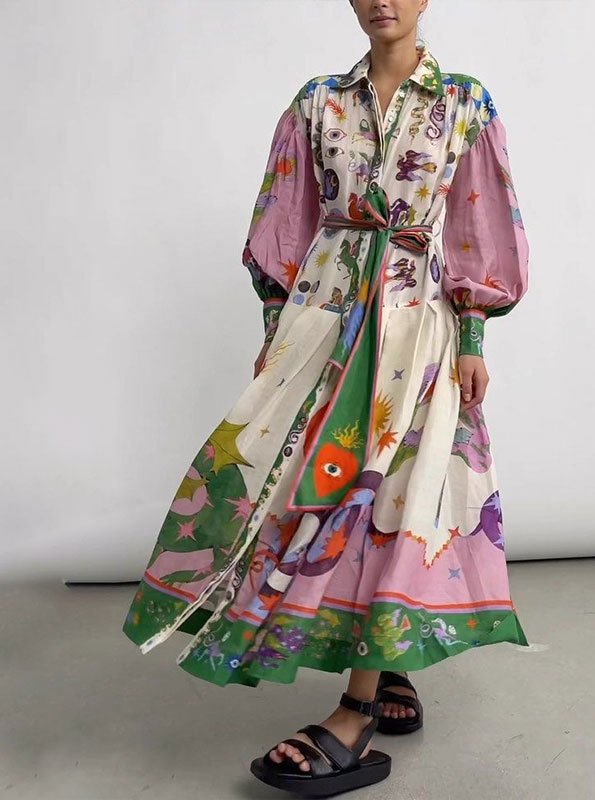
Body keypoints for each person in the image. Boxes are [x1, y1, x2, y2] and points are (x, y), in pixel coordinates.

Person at [122, 0, 531, 795]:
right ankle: (386, 663)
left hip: (415, 326)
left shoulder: (465, 102)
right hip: (325, 316)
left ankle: (356, 709)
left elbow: (481, 224)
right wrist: (277, 327)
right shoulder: (317, 102)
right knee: (294, 480)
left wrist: (474, 338)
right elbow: (285, 219)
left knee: (390, 493)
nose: (382, 0)